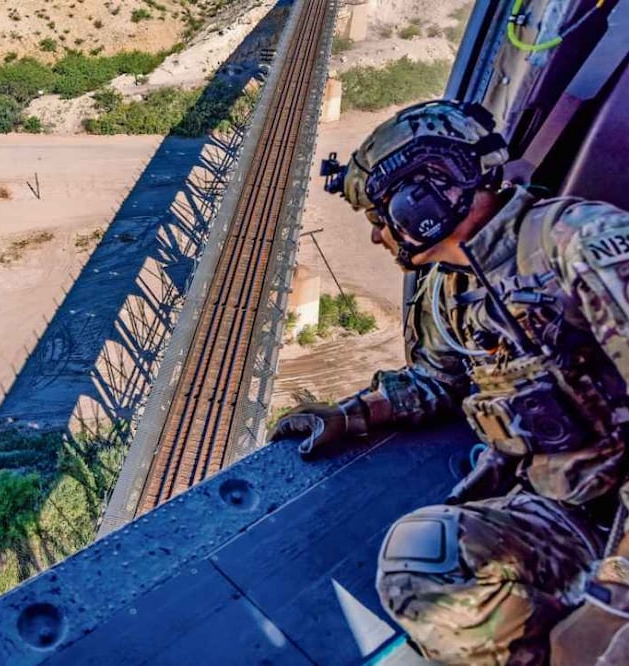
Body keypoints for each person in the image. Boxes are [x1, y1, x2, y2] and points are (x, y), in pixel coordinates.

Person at [270, 99, 629, 665]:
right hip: (569, 514)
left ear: (425, 198)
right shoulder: (450, 293)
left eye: (380, 216)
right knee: (421, 561)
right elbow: (437, 379)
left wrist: (615, 600)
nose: (376, 238)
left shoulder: (579, 246)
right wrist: (357, 413)